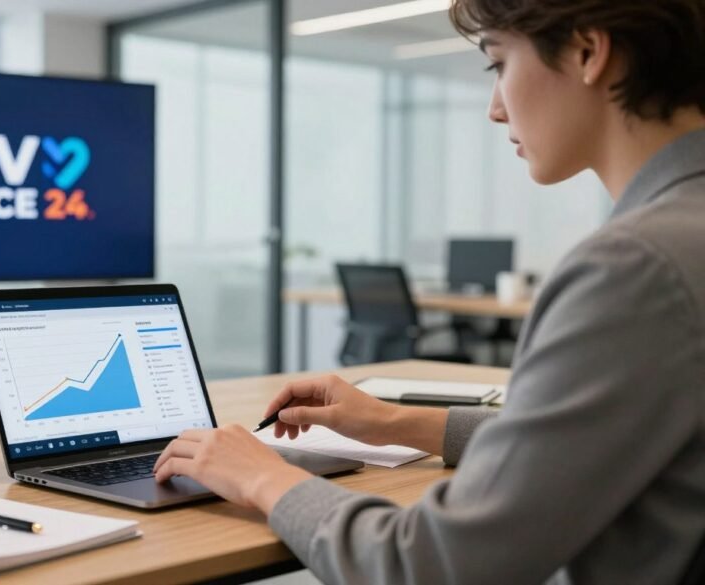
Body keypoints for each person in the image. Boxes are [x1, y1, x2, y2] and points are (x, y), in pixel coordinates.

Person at [153, 1, 705, 583]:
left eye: (498, 64)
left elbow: (435, 565)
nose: (495, 109)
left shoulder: (635, 268)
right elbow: (582, 446)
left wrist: (262, 476)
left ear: (589, 53)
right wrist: (392, 421)